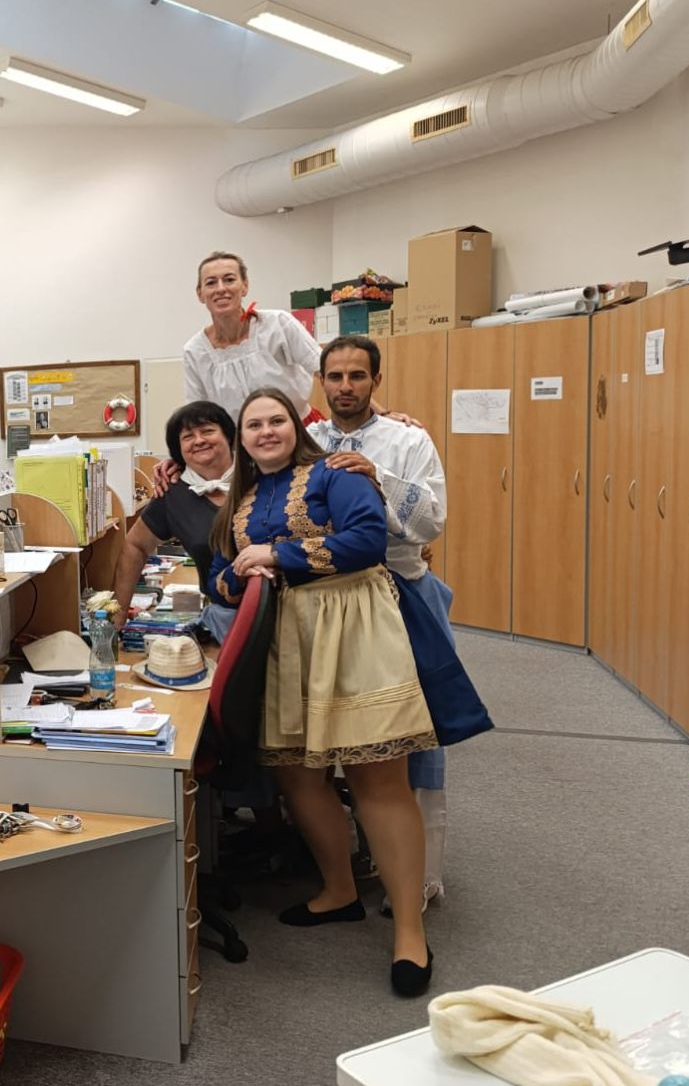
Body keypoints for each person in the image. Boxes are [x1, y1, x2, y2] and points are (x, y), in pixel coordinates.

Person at [207, 387, 438, 997]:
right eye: (253, 425)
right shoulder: (242, 498)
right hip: (287, 640)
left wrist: (275, 554)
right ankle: (339, 890)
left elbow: (366, 541)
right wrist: (238, 574)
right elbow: (217, 572)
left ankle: (409, 931)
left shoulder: (335, 472)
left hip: (354, 625)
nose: (266, 432)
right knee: (298, 776)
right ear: (242, 440)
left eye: (276, 420)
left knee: (377, 779)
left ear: (296, 426)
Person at [309, 336, 494, 911]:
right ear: (321, 381)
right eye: (335, 376)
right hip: (327, 601)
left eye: (356, 376)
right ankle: (354, 857)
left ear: (376, 381)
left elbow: (431, 520)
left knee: (414, 737)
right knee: (340, 732)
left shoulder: (407, 440)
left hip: (400, 597)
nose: (345, 386)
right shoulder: (308, 441)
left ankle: (418, 880)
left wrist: (378, 476)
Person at [112, 401, 238, 642]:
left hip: (280, 607)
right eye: (188, 436)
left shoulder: (259, 476)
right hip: (225, 619)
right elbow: (135, 545)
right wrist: (118, 620)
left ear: (229, 436)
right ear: (178, 449)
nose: (199, 440)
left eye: (208, 431)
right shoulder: (173, 493)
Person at [184, 251, 323, 422]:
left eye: (229, 279)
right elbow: (197, 413)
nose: (221, 289)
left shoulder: (279, 323)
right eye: (211, 283)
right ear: (200, 293)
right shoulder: (195, 351)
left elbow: (324, 369)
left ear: (245, 286)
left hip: (301, 430)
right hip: (240, 438)